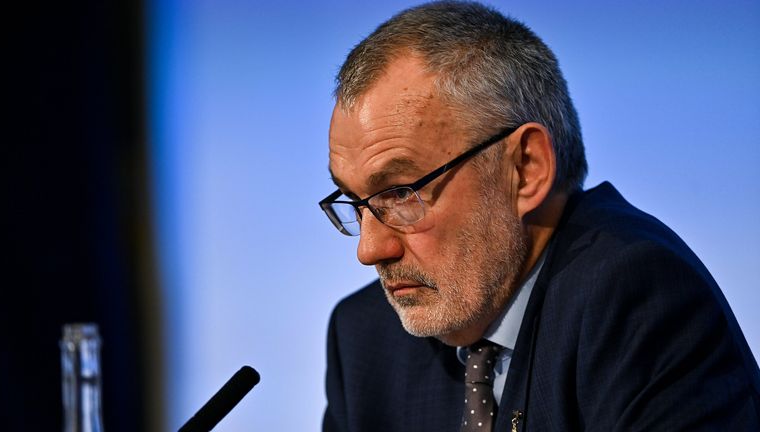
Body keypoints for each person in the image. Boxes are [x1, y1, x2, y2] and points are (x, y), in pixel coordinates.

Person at [318, 2, 760, 431]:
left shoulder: (635, 294)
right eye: (356, 201)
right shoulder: (363, 337)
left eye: (399, 193)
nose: (369, 249)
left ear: (525, 170)